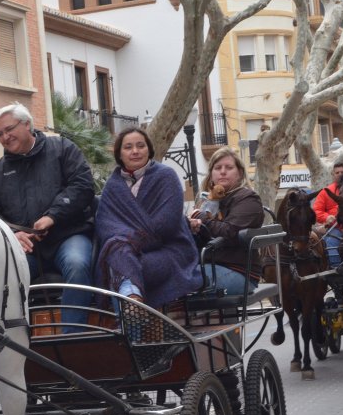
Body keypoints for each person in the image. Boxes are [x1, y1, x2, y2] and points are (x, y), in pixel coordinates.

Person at [0, 102, 95, 333]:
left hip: (68, 236)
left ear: (27, 124)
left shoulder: (63, 148)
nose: (5, 137)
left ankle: (72, 337)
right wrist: (14, 234)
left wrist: (53, 216)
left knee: (77, 265)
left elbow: (83, 186)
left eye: (9, 129)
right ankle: (17, 341)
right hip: (28, 249)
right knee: (3, 277)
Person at [95, 127, 202, 309]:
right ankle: (133, 306)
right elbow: (105, 224)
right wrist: (128, 244)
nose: (135, 151)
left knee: (118, 264)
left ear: (149, 149)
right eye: (128, 147)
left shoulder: (166, 176)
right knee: (119, 256)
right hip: (127, 251)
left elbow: (167, 223)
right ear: (119, 154)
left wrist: (130, 242)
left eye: (140, 146)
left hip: (169, 250)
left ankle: (131, 312)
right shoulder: (112, 186)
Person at [187, 147, 265, 295]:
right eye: (217, 168)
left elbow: (229, 231)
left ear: (240, 173)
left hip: (239, 270)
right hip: (206, 264)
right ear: (211, 174)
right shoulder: (206, 201)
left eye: (229, 167)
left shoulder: (248, 199)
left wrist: (200, 218)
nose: (222, 171)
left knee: (176, 280)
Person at [313, 162, 343, 267]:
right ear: (333, 175)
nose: (339, 174)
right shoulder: (326, 192)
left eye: (342, 172)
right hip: (336, 228)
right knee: (330, 242)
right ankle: (336, 270)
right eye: (337, 172)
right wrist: (326, 217)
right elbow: (316, 211)